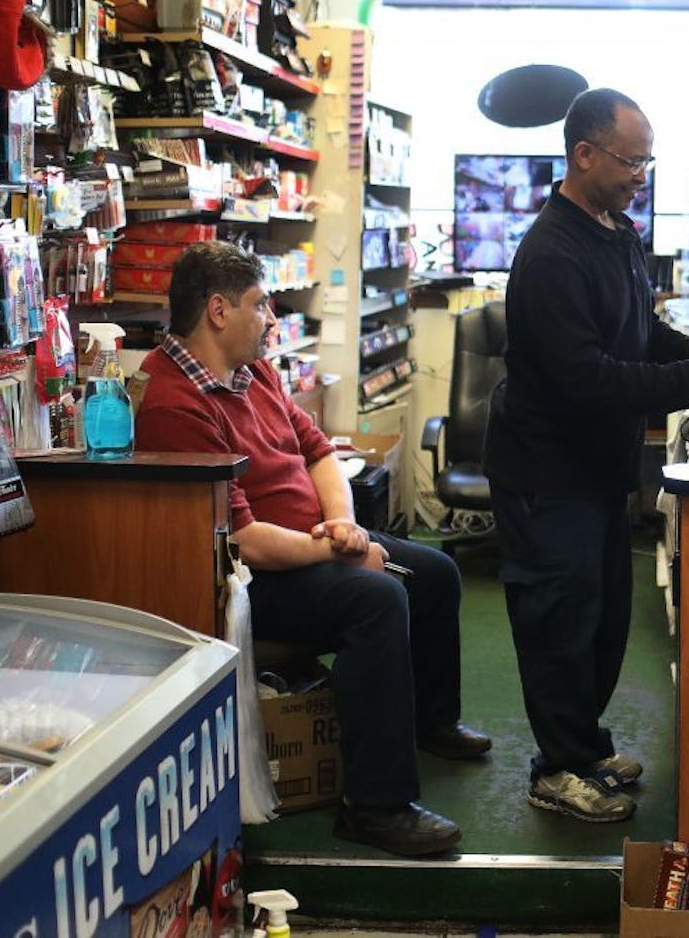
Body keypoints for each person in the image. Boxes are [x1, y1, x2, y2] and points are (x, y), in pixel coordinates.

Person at [134, 242, 490, 857]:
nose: (271, 318)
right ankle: (374, 806)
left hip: (312, 542)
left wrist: (344, 528)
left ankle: (427, 721)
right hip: (252, 577)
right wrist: (340, 553)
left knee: (435, 572)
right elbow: (243, 540)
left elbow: (320, 451)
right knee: (377, 598)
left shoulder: (256, 373)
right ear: (218, 312)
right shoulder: (175, 404)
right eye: (260, 304)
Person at [483, 88, 689, 822]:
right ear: (584, 155)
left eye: (647, 160)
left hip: (598, 470)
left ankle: (584, 745)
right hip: (547, 472)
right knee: (559, 625)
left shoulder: (616, 231)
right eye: (632, 160)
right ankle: (556, 769)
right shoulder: (550, 255)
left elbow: (637, 332)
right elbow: (588, 379)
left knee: (601, 621)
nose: (642, 174)